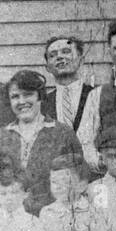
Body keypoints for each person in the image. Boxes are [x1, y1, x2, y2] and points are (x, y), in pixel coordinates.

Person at [0, 70, 82, 217]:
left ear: (40, 96)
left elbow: (77, 179)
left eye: (28, 94)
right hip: (9, 219)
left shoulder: (63, 133)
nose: (21, 101)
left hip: (53, 216)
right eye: (15, 97)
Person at [41, 35, 101, 168]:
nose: (60, 57)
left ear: (81, 60)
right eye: (53, 55)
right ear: (47, 67)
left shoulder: (99, 96)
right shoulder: (43, 104)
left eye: (66, 52)